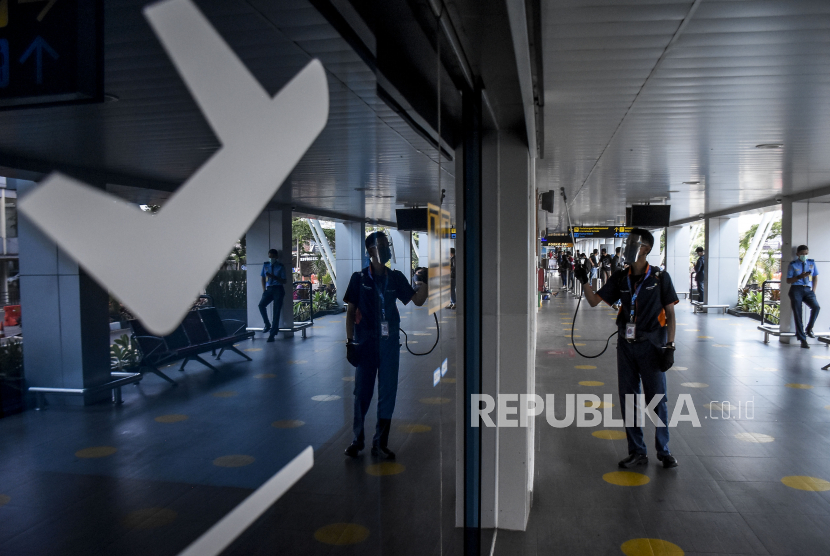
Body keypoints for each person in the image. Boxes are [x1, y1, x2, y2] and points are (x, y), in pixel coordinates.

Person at [575, 228, 679, 469]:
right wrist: (584, 280)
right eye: (629, 241)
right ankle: (637, 451)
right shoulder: (621, 277)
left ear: (647, 249)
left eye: (635, 242)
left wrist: (670, 347)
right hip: (626, 346)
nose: (629, 245)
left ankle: (663, 450)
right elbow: (592, 301)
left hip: (652, 346)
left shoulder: (660, 278)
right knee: (629, 398)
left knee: (657, 399)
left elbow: (671, 315)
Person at [344, 231, 429, 460]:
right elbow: (351, 312)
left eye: (386, 245)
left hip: (389, 344)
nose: (385, 250)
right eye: (380, 246)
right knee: (362, 393)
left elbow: (419, 300)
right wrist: (350, 342)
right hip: (366, 344)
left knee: (388, 393)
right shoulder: (358, 279)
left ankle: (380, 443)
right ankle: (357, 440)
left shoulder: (396, 278)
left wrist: (423, 282)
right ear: (370, 251)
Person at [786, 245, 820, 349]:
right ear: (797, 254)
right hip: (796, 289)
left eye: (806, 254)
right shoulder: (793, 264)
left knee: (816, 307)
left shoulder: (811, 263)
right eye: (802, 254)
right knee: (798, 314)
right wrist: (799, 277)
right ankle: (802, 339)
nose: (804, 256)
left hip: (807, 289)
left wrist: (813, 290)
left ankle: (809, 329)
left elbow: (815, 277)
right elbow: (788, 281)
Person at [258, 248, 287, 342]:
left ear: (276, 257)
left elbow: (284, 281)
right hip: (269, 288)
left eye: (273, 256)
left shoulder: (280, 266)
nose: (271, 258)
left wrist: (274, 277)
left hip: (278, 288)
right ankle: (267, 324)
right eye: (269, 256)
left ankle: (272, 334)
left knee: (276, 312)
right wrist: (264, 290)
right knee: (261, 305)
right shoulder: (266, 265)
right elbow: (262, 277)